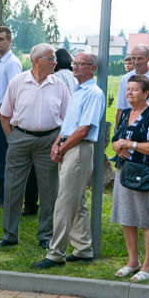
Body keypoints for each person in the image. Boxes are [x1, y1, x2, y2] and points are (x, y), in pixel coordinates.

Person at [0, 43, 69, 249]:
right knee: (12, 187)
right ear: (36, 61)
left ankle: (46, 235)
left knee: (49, 190)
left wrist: (57, 142)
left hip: (49, 140)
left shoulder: (59, 84)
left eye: (54, 59)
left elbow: (67, 118)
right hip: (20, 138)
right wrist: (12, 139)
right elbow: (5, 114)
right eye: (51, 59)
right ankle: (9, 235)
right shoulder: (18, 82)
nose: (55, 62)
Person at [33, 52, 104, 269]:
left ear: (92, 68)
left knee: (64, 201)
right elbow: (68, 124)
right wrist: (57, 144)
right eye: (75, 63)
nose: (76, 67)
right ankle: (83, 249)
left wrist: (62, 147)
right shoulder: (77, 91)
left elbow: (83, 129)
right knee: (76, 200)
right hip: (68, 145)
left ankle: (56, 253)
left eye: (81, 64)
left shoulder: (93, 93)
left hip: (79, 149)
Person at [109, 76, 149, 281]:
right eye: (128, 89)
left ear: (146, 93)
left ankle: (148, 266)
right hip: (124, 170)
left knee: (146, 218)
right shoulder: (125, 113)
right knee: (127, 216)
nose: (130, 93)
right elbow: (117, 138)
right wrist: (117, 146)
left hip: (145, 172)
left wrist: (130, 145)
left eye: (135, 90)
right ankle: (132, 261)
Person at [0, 26, 23, 206]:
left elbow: (15, 91)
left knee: (4, 155)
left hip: (4, 113)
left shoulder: (12, 63)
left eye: (1, 39)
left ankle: (5, 196)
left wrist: (6, 114)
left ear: (9, 41)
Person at [115, 44, 149, 125]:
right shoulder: (125, 79)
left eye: (140, 59)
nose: (136, 62)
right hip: (129, 124)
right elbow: (121, 107)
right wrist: (117, 131)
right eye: (133, 58)